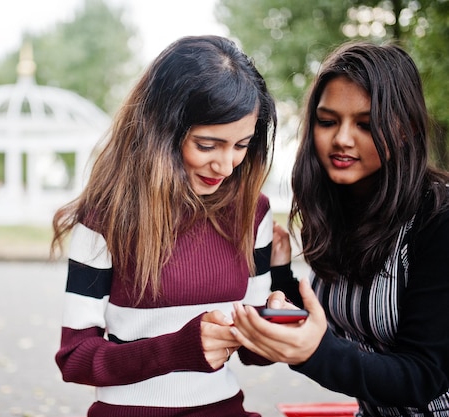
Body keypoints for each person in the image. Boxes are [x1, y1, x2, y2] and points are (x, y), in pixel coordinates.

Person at [51, 35, 291, 417]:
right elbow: (76, 359)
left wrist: (273, 324)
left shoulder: (254, 212)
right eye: (208, 145)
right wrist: (176, 349)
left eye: (241, 145)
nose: (227, 166)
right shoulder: (105, 219)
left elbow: (254, 355)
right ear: (161, 132)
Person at [230, 41, 449, 416]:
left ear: (406, 129)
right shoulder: (335, 207)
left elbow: (423, 375)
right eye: (328, 121)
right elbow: (320, 322)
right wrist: (281, 273)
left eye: (365, 124)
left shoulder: (437, 221)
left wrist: (315, 354)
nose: (342, 139)